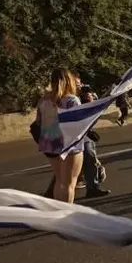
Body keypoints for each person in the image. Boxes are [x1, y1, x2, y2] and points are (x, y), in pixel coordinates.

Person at [36, 68, 85, 203]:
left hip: (49, 144)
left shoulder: (43, 101)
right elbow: (78, 124)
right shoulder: (71, 100)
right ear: (69, 80)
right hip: (69, 145)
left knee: (60, 180)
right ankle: (65, 214)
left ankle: (57, 209)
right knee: (70, 184)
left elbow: (38, 122)